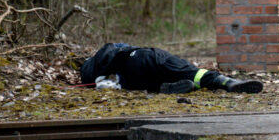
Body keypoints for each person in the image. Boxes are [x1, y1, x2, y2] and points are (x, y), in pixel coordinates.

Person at [80, 43, 263, 94]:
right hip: (146, 58)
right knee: (194, 73)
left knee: (150, 83)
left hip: (135, 80)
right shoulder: (111, 50)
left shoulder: (91, 73)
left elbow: (100, 84)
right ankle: (226, 82)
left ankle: (166, 87)